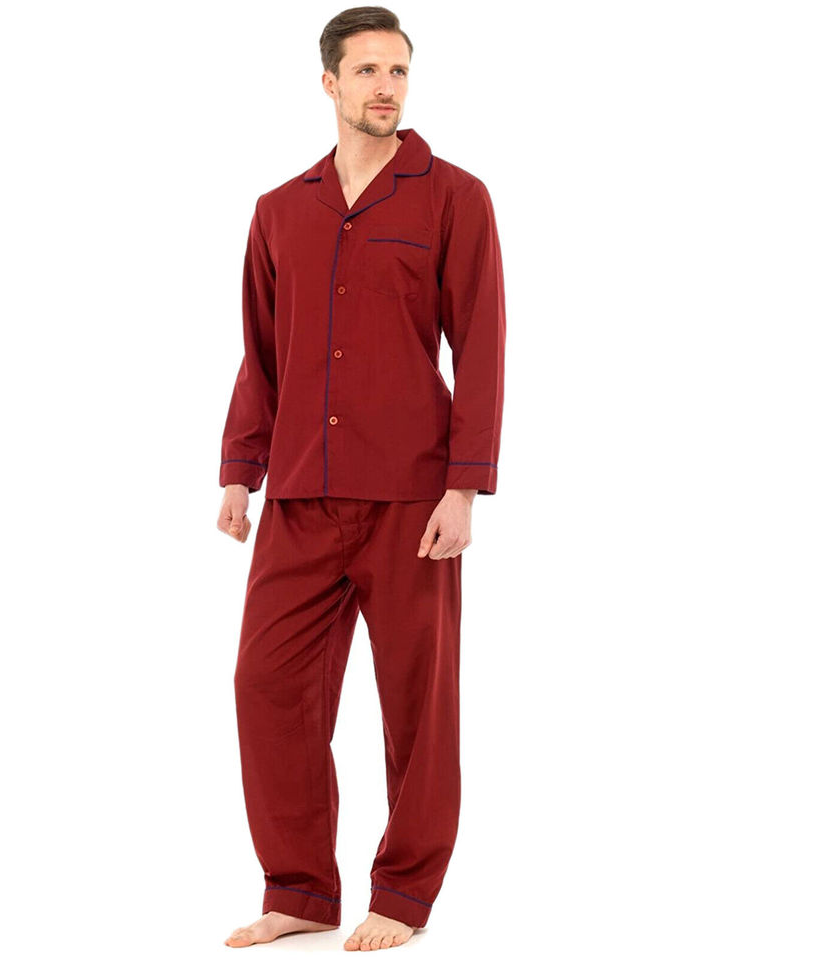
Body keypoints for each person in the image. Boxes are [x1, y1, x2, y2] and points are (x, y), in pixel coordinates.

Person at [218, 7, 506, 951]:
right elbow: (262, 354)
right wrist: (240, 471)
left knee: (418, 705)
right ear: (329, 83)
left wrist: (464, 486)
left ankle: (405, 894)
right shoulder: (279, 210)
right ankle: (300, 889)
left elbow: (482, 347)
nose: (387, 87)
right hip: (301, 491)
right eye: (369, 70)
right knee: (267, 684)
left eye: (400, 71)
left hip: (412, 497)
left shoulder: (455, 197)